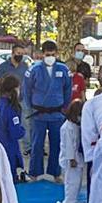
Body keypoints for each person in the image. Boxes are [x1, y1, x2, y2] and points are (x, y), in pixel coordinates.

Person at [23, 41, 73, 181]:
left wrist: (65, 107)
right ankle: (34, 172)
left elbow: (68, 90)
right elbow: (26, 90)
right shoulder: (34, 69)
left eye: (52, 54)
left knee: (56, 144)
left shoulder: (63, 69)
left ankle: (56, 173)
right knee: (37, 144)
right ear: (42, 54)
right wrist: (29, 107)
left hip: (57, 113)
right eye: (47, 55)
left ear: (56, 54)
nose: (50, 57)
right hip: (38, 113)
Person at [0, 74, 25, 181]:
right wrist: (23, 131)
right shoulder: (11, 108)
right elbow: (15, 132)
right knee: (8, 179)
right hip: (8, 147)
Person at [58, 99, 86, 203]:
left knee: (77, 181)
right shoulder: (67, 127)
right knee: (71, 181)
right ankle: (69, 201)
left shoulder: (75, 126)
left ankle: (73, 199)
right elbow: (69, 145)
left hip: (76, 158)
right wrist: (71, 159)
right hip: (71, 159)